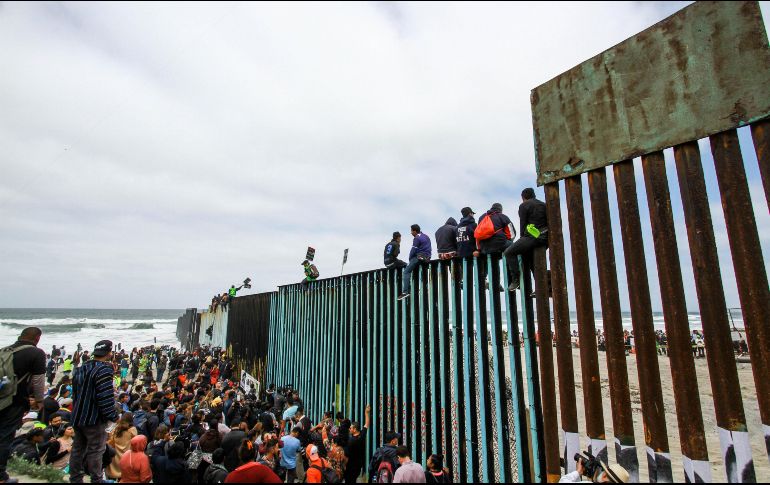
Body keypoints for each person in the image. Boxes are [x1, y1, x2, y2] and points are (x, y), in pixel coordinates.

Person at [0, 327, 46, 485]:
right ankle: (1, 476)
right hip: (15, 401)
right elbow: (39, 381)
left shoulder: (5, 350)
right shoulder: (36, 353)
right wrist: (39, 401)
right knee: (5, 436)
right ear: (37, 339)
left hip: (2, 396)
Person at [69, 339, 119, 484]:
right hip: (93, 418)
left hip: (78, 416)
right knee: (96, 450)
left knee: (77, 449)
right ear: (109, 353)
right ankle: (96, 479)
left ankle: (75, 479)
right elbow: (105, 396)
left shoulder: (82, 368)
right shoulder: (104, 369)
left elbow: (76, 393)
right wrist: (112, 415)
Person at [503, 188, 548, 291]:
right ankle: (540, 288)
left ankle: (516, 280)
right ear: (534, 195)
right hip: (545, 237)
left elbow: (523, 224)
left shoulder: (524, 205)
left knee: (509, 252)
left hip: (533, 237)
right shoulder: (543, 204)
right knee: (532, 261)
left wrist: (522, 240)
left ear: (523, 197)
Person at [476, 202, 515, 290]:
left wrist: (479, 248)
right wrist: (508, 241)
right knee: (513, 249)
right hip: (500, 244)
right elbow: (511, 234)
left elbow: (478, 234)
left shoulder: (482, 217)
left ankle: (495, 283)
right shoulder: (502, 216)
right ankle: (513, 279)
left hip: (484, 248)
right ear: (500, 210)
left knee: (493, 259)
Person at [398, 225, 432, 300]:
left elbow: (413, 250)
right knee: (420, 271)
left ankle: (405, 292)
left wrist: (410, 259)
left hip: (420, 257)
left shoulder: (416, 238)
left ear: (414, 231)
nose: (411, 233)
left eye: (411, 231)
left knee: (406, 271)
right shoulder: (426, 236)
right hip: (427, 257)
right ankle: (424, 289)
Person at [343, 405, 370, 484]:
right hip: (358, 465)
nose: (349, 429)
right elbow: (367, 424)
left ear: (355, 429)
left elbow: (346, 457)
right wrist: (366, 413)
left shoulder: (351, 441)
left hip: (350, 467)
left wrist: (344, 466)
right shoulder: (362, 435)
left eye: (351, 428)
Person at [107, 412, 137, 480]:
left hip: (115, 458)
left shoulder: (116, 429)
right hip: (126, 458)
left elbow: (111, 442)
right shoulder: (132, 431)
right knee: (123, 477)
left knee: (112, 477)